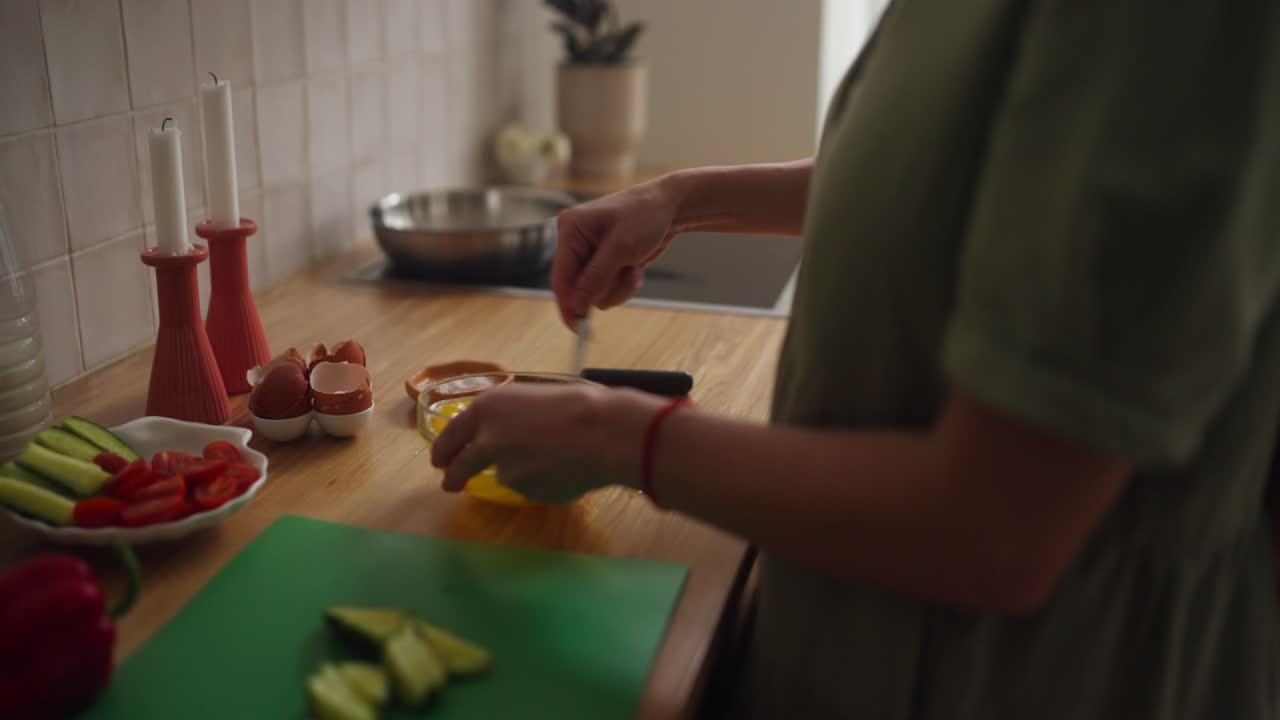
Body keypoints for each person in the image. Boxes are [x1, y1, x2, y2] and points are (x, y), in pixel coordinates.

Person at [432, 2, 1280, 717]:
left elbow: (998, 531)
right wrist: (681, 199)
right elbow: (940, 174)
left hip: (1040, 675)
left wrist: (617, 434)